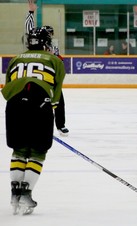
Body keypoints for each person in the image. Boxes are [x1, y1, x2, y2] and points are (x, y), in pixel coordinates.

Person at [2, 27, 65, 215]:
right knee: (37, 152)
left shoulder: (15, 59)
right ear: (46, 43)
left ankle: (15, 194)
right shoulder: (54, 60)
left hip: (14, 106)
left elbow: (7, 90)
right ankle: (26, 195)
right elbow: (56, 97)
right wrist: (47, 113)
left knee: (19, 150)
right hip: (40, 105)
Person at [25, 0, 69, 136]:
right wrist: (31, 12)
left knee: (59, 101)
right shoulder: (36, 44)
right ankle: (32, 122)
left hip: (51, 79)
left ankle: (60, 125)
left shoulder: (53, 48)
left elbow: (58, 63)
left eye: (50, 33)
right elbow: (28, 30)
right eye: (47, 33)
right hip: (38, 78)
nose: (49, 35)